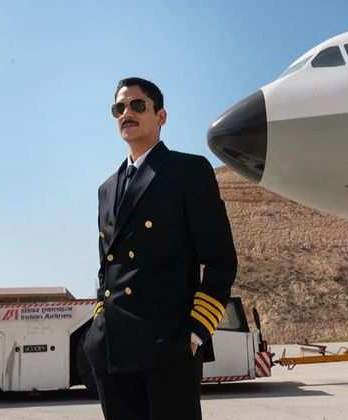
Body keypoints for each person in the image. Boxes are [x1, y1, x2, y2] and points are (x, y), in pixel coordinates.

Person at [83, 77, 238, 420]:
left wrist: (195, 332)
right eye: (119, 108)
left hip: (167, 345)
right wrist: (98, 324)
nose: (127, 113)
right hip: (111, 346)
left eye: (137, 105)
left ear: (161, 116)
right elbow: (106, 269)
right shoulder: (107, 189)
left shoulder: (187, 171)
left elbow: (221, 260)